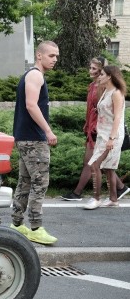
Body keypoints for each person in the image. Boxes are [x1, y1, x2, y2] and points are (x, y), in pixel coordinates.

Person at [9, 41, 60, 246]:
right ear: (39, 55)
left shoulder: (33, 75)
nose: (55, 59)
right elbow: (31, 105)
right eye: (51, 55)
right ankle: (36, 228)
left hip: (25, 137)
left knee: (25, 182)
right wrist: (48, 131)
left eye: (56, 56)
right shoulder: (35, 75)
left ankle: (17, 223)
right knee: (40, 183)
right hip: (33, 139)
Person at [62, 56, 129, 202]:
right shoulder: (94, 86)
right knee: (99, 163)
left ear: (102, 72)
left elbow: (109, 113)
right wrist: (87, 124)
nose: (90, 71)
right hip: (94, 128)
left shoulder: (105, 88)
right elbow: (92, 109)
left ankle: (81, 193)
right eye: (90, 67)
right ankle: (118, 190)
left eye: (94, 69)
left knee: (92, 162)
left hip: (101, 131)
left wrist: (109, 135)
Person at [82, 65, 126, 210]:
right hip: (103, 135)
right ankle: (113, 199)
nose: (98, 76)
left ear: (110, 76)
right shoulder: (106, 91)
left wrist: (112, 138)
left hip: (111, 136)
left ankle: (96, 199)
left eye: (101, 74)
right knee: (108, 168)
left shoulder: (116, 93)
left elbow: (118, 117)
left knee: (94, 165)